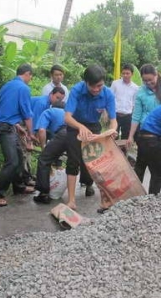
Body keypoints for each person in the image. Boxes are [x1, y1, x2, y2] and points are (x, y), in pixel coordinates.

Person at [64, 64, 117, 210]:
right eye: (92, 86)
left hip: (94, 126)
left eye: (99, 86)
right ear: (85, 82)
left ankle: (104, 200)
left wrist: (112, 130)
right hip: (75, 126)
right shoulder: (76, 90)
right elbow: (67, 117)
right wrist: (80, 127)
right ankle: (71, 200)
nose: (95, 89)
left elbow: (113, 120)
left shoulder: (108, 94)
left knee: (97, 163)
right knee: (73, 161)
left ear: (103, 83)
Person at [0, 64, 35, 207]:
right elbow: (27, 115)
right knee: (12, 161)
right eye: (31, 76)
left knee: (19, 157)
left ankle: (19, 187)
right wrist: (30, 135)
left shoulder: (7, 85)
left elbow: (6, 108)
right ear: (27, 74)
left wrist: (17, 127)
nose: (30, 79)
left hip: (5, 125)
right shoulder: (23, 88)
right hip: (5, 128)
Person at [126, 64, 161, 148]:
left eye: (150, 79)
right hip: (145, 132)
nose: (148, 83)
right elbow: (136, 116)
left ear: (156, 75)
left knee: (159, 160)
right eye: (145, 80)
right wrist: (130, 136)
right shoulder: (140, 91)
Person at [33, 101, 67, 204]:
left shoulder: (48, 111)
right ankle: (88, 186)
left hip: (64, 134)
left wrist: (43, 147)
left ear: (52, 106)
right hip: (77, 133)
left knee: (44, 159)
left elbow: (42, 130)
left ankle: (43, 194)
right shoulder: (68, 112)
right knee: (77, 161)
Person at [111, 63, 139, 141]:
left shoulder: (135, 88)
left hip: (127, 116)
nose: (125, 75)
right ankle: (113, 153)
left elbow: (134, 103)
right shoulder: (115, 84)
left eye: (127, 73)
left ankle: (123, 153)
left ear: (132, 74)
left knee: (125, 138)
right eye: (123, 73)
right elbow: (110, 99)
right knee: (113, 137)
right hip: (115, 115)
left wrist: (133, 116)